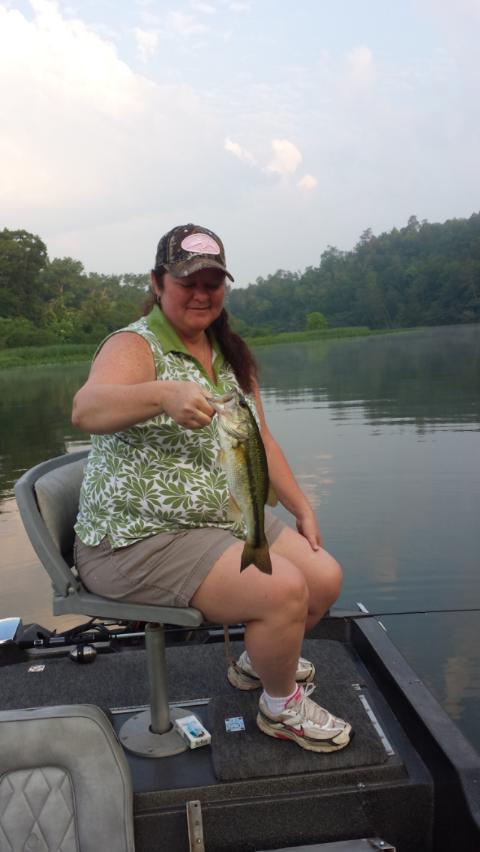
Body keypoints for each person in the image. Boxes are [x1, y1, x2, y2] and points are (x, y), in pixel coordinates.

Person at [72, 223, 352, 753]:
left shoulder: (229, 353)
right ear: (158, 283)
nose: (201, 294)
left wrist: (301, 507)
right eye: (187, 282)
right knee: (283, 590)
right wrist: (161, 394)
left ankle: (258, 661)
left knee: (324, 580)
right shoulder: (135, 345)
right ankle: (281, 708)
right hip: (137, 541)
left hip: (225, 518)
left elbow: (261, 440)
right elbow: (85, 409)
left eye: (212, 283)